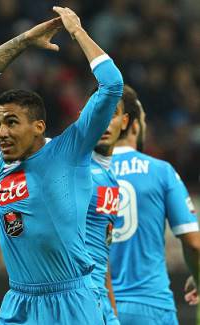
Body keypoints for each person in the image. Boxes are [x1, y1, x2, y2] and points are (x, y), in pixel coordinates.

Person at [0, 6, 123, 324]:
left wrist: (77, 31)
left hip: (70, 302)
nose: (2, 132)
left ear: (38, 127)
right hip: (19, 301)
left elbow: (112, 85)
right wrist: (23, 40)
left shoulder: (68, 152)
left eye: (12, 122)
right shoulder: (1, 152)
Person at [109, 87, 200, 325]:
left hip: (97, 307)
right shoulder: (161, 172)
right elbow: (194, 244)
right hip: (150, 306)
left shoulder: (84, 175)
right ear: (136, 125)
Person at [85, 86, 141, 325]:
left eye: (113, 114)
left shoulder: (110, 179)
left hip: (102, 303)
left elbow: (100, 250)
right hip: (76, 302)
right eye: (98, 113)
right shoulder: (73, 169)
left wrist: (112, 313)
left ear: (125, 121)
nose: (105, 123)